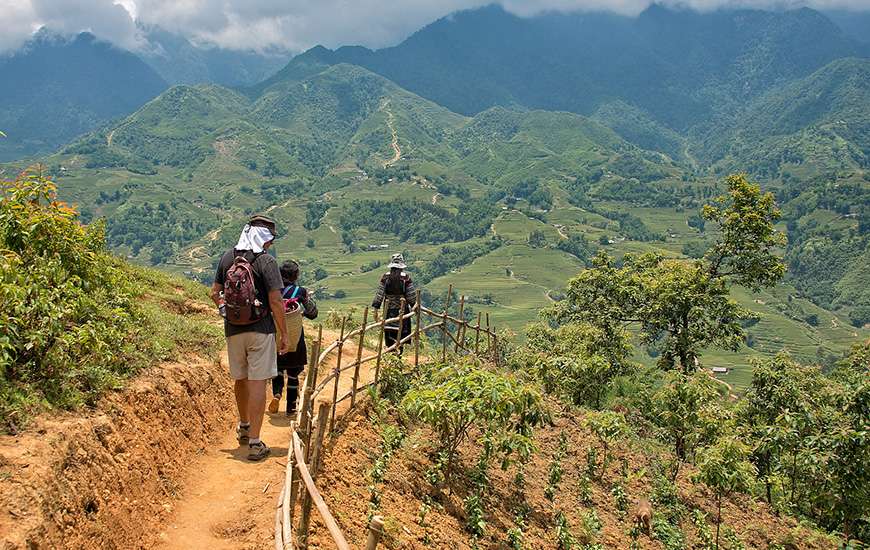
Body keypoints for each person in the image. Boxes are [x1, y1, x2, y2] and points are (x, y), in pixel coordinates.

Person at [211, 214, 289, 461]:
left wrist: (226, 311)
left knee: (240, 379)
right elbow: (276, 301)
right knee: (258, 382)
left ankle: (243, 426)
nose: (270, 244)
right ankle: (255, 443)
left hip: (233, 330)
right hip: (261, 329)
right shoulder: (266, 262)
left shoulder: (227, 258)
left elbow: (215, 292)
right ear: (265, 238)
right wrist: (284, 333)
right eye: (270, 239)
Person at [269, 260, 318, 416]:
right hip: (295, 337)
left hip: (276, 335)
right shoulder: (300, 291)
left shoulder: (272, 290)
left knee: (277, 369)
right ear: (296, 275)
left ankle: (277, 394)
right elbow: (312, 313)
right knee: (293, 373)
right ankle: (291, 407)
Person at [371, 253, 416, 354]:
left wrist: (376, 307)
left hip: (389, 310)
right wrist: (414, 306)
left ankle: (390, 352)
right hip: (402, 311)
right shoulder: (406, 278)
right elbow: (411, 296)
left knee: (389, 332)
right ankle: (398, 354)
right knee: (400, 334)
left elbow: (379, 294)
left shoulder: (385, 277)